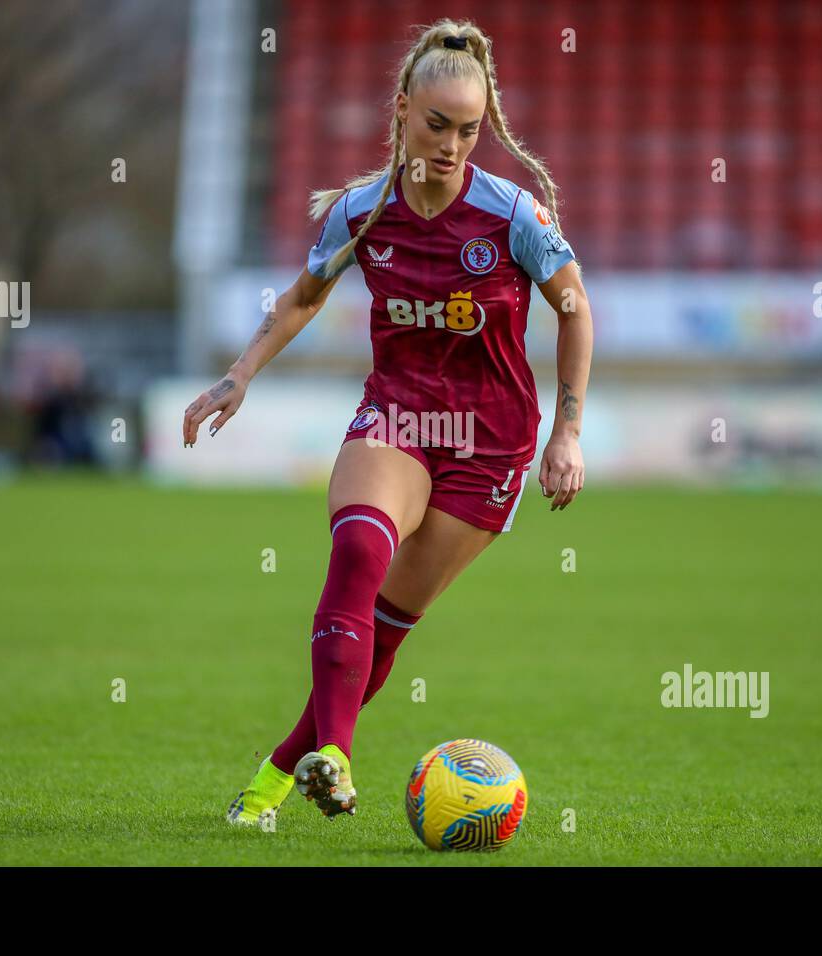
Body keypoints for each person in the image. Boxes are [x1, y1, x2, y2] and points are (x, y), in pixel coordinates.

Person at [182, 18, 593, 826]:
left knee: (383, 631)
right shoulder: (362, 214)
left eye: (469, 131)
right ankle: (334, 757)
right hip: (398, 417)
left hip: (489, 446)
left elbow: (576, 311)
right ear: (402, 108)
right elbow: (304, 296)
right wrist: (238, 376)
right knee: (358, 547)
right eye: (437, 125)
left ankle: (273, 779)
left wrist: (567, 431)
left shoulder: (512, 215)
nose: (451, 146)